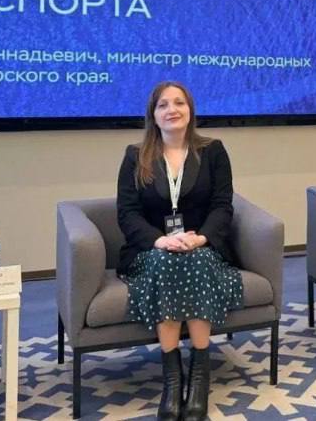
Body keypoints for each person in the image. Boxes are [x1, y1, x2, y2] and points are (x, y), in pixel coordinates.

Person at [116, 81, 244, 420]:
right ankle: (173, 380)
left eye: (179, 103)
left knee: (195, 261)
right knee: (167, 262)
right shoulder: (135, 156)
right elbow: (127, 213)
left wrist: (200, 238)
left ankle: (199, 376)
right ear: (153, 115)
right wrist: (160, 240)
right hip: (152, 251)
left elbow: (222, 206)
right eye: (163, 105)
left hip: (201, 247)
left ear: (190, 110)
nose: (171, 110)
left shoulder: (213, 151)